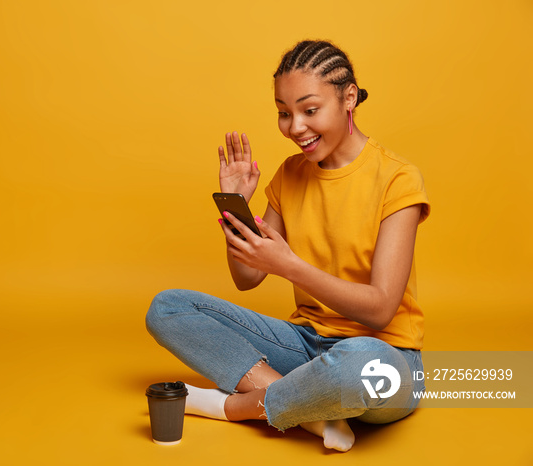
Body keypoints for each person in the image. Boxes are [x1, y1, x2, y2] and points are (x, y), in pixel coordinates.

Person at [145, 40, 429, 452]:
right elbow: (247, 277)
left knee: (359, 362)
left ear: (349, 98)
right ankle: (311, 411)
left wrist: (290, 266)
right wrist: (237, 211)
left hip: (385, 356)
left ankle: (234, 407)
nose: (295, 127)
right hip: (304, 346)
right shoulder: (290, 174)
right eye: (284, 112)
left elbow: (381, 307)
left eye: (310, 110)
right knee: (167, 307)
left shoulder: (398, 179)